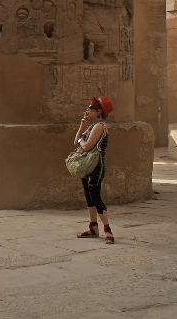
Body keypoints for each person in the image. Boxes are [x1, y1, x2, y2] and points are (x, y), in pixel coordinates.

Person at [74, 96, 113, 244]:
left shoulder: (99, 126)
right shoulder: (92, 126)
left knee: (96, 198)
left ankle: (107, 229)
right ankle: (93, 227)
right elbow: (76, 141)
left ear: (98, 111)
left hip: (96, 167)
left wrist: (80, 140)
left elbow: (85, 146)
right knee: (89, 198)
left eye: (90, 108)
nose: (87, 110)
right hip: (88, 166)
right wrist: (82, 126)